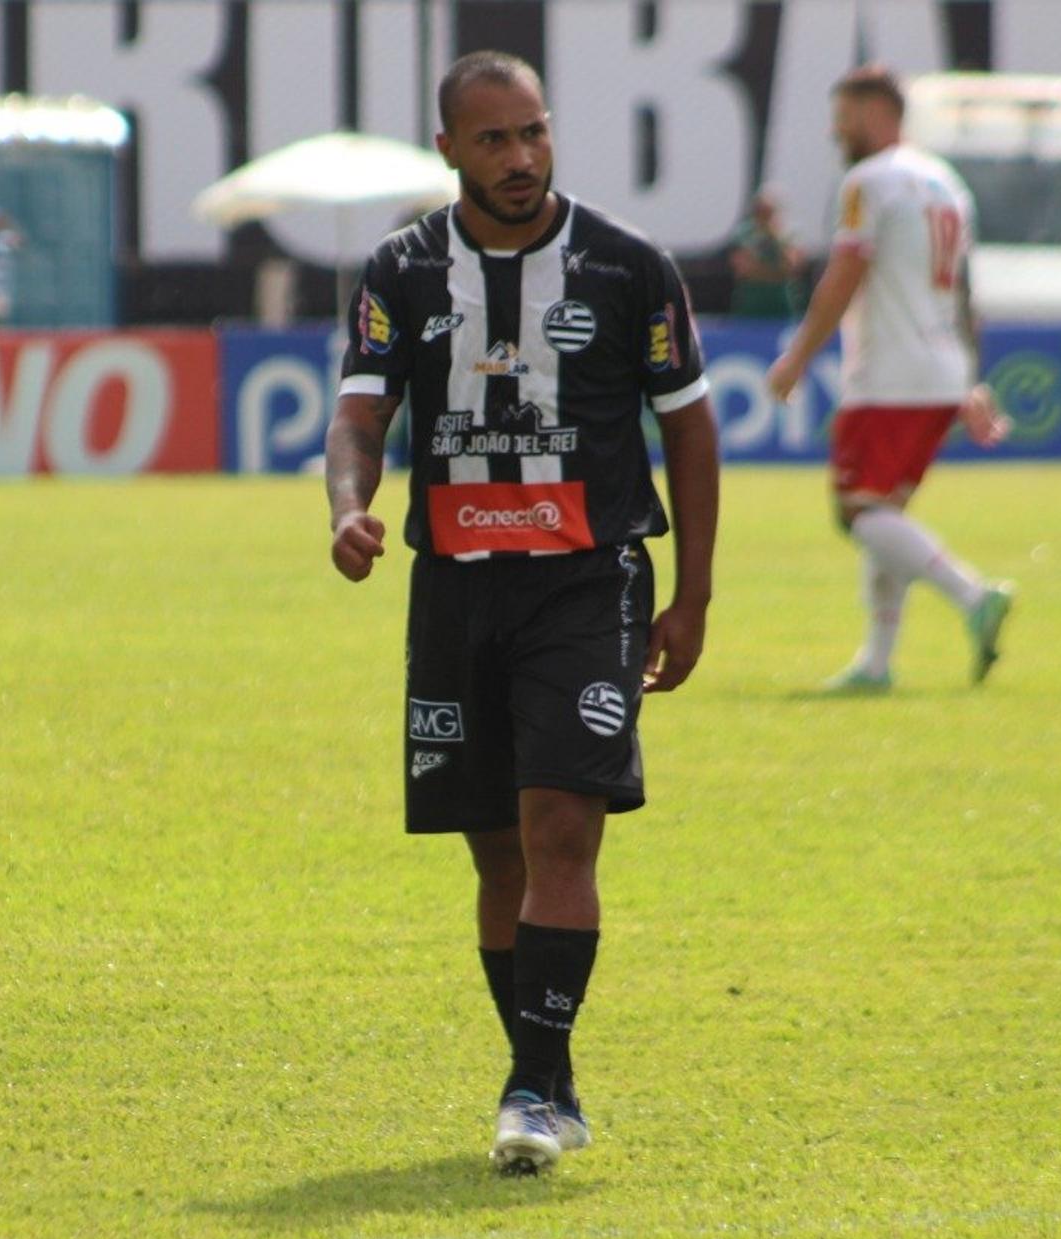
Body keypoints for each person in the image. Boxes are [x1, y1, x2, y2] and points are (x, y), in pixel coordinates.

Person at [324, 50, 720, 1175]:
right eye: (493, 140)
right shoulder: (401, 270)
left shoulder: (629, 266)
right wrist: (352, 509)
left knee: (560, 827)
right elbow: (359, 415)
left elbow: (688, 426)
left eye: (534, 133)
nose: (520, 158)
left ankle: (530, 1089)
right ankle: (551, 1070)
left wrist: (692, 592)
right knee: (495, 851)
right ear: (447, 148)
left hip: (589, 582)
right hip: (455, 586)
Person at [766, 65, 1014, 693]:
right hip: (939, 368)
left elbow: (844, 276)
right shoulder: (945, 181)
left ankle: (973, 595)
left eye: (845, 116)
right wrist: (969, 377)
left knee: (858, 513)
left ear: (880, 114)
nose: (835, 130)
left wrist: (797, 357)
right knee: (885, 513)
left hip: (890, 373)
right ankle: (876, 664)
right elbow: (963, 290)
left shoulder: (869, 182)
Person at [727, 185, 806, 318]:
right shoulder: (744, 233)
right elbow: (743, 269)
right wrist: (776, 273)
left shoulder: (790, 233)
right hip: (751, 305)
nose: (763, 216)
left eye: (768, 211)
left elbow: (792, 267)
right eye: (760, 211)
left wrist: (775, 237)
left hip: (783, 306)